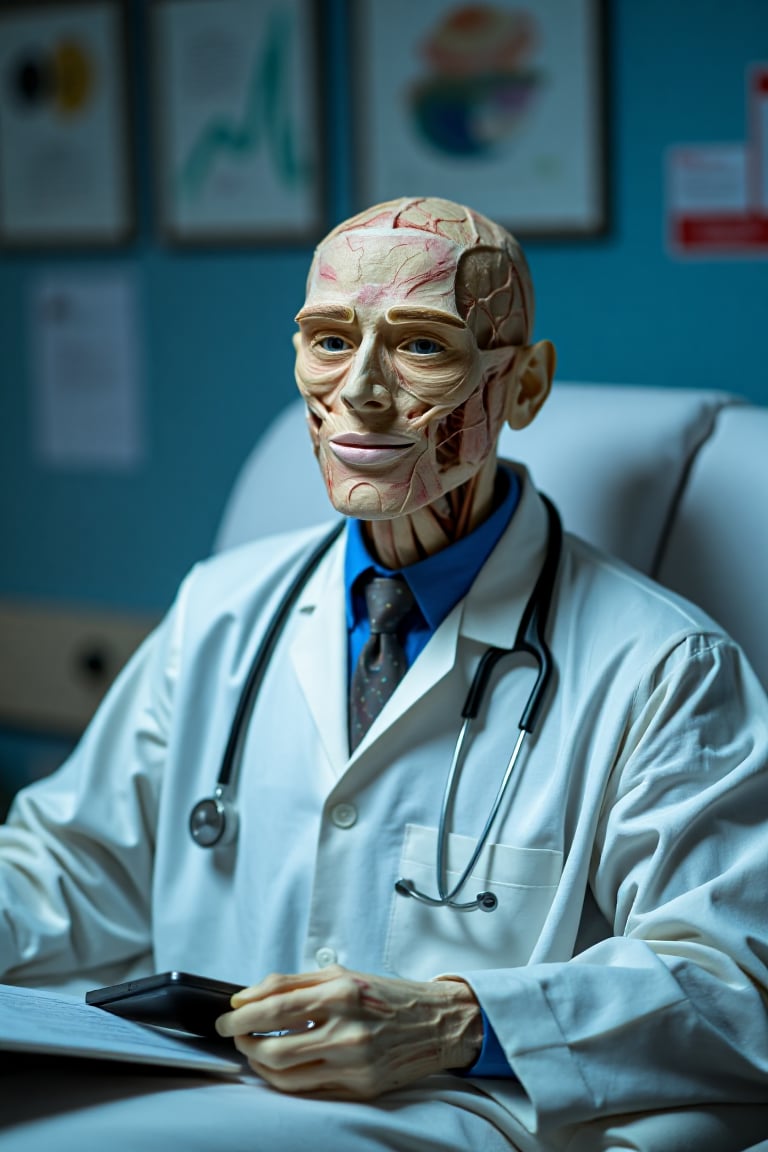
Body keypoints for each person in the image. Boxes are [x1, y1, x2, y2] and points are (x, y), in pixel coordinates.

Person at [2, 196, 768, 1152]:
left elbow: (736, 986)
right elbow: (70, 866)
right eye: (329, 340)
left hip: (443, 1118)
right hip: (193, 1085)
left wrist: (457, 1023)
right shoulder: (223, 607)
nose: (360, 389)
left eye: (420, 347)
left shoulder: (663, 668)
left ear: (524, 387)